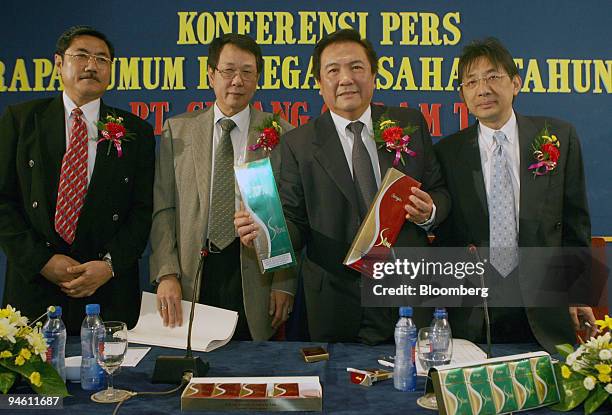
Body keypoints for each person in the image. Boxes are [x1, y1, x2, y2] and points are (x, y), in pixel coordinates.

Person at [237, 29, 450, 344]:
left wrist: (430, 210)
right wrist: (265, 233)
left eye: (356, 67)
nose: (346, 78)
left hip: (406, 294)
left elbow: (441, 191)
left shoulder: (410, 123)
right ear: (319, 84)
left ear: (374, 75)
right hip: (334, 301)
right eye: (333, 70)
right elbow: (295, 223)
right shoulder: (299, 143)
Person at [434, 37, 595, 352]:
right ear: (463, 94)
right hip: (475, 312)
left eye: (493, 77)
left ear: (516, 83)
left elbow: (576, 224)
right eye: (471, 82)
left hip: (544, 307)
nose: (483, 89)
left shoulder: (558, 138)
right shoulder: (447, 153)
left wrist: (577, 293)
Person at [0, 26, 155, 334]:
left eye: (102, 59)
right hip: (34, 287)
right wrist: (42, 261)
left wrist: (108, 266)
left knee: (111, 379)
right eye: (81, 55)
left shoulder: (136, 131)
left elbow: (142, 211)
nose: (91, 65)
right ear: (59, 64)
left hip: (105, 292)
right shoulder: (22, 121)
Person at [150, 33, 296, 341]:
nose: (237, 81)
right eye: (228, 71)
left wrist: (283, 282)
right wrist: (166, 273)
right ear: (211, 75)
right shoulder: (179, 131)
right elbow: (164, 208)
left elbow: (293, 217)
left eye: (247, 72)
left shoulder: (282, 134)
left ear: (258, 78)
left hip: (255, 273)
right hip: (194, 269)